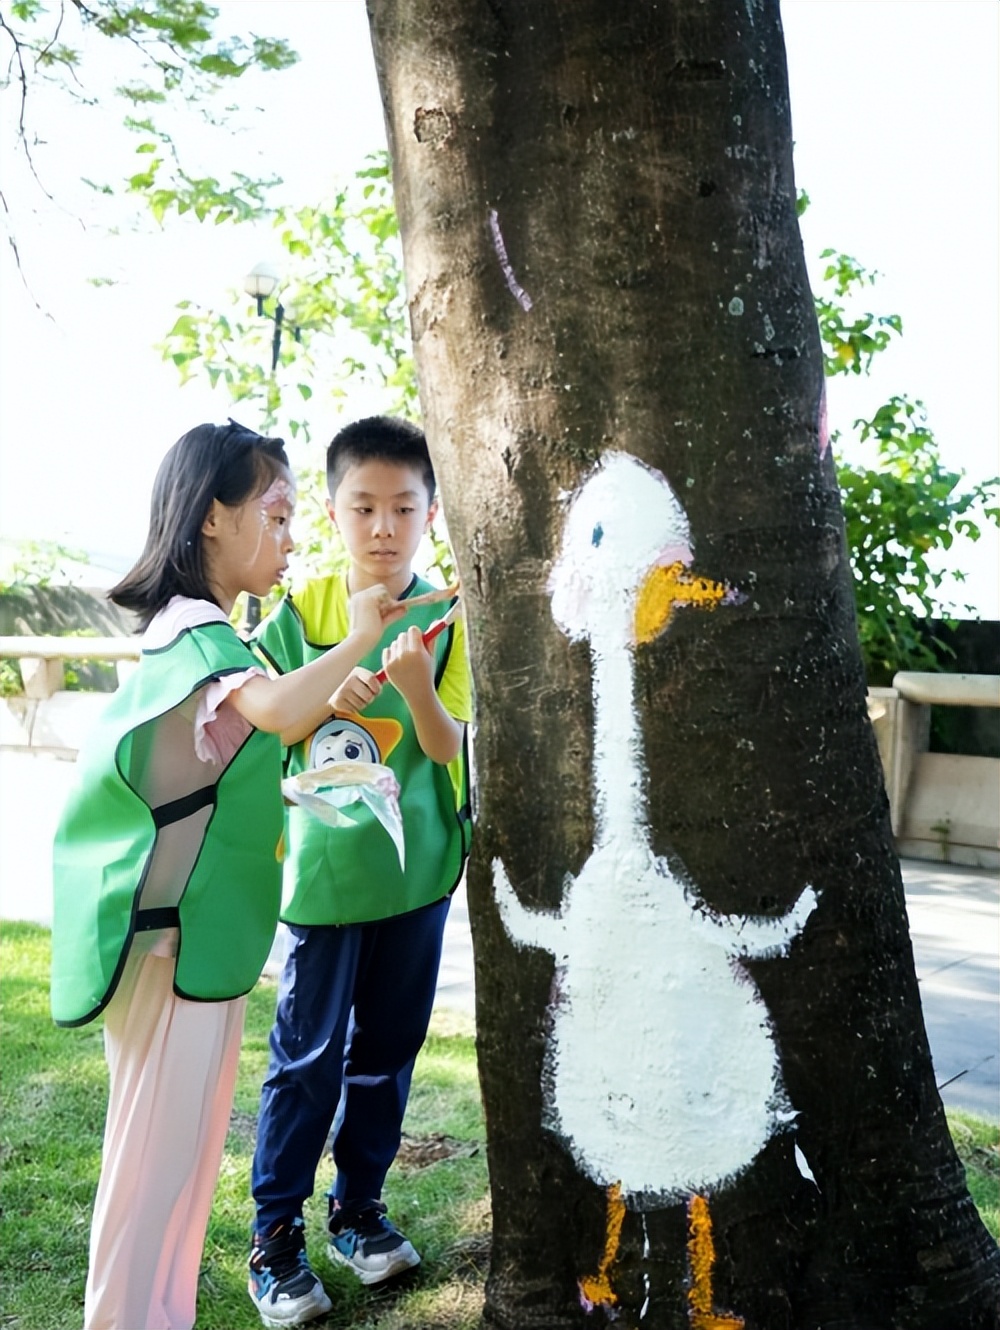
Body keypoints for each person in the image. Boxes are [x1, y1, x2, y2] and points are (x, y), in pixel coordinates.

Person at [50, 420, 411, 1330]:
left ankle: (154, 1314)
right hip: (172, 947)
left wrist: (328, 700)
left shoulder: (210, 638)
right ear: (213, 518)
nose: (292, 539)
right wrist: (359, 640)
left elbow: (252, 748)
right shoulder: (201, 633)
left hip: (187, 941)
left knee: (176, 1159)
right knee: (153, 1161)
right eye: (278, 515)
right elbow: (278, 710)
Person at [247, 416, 472, 1328]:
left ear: (430, 514)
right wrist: (334, 682)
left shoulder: (451, 615)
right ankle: (274, 1242)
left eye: (404, 508)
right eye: (364, 506)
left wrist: (415, 684)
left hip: (414, 879)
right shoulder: (300, 613)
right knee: (305, 1062)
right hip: (324, 882)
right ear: (334, 512)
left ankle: (359, 1212)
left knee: (386, 1055)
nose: (384, 526)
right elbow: (270, 723)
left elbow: (448, 746)